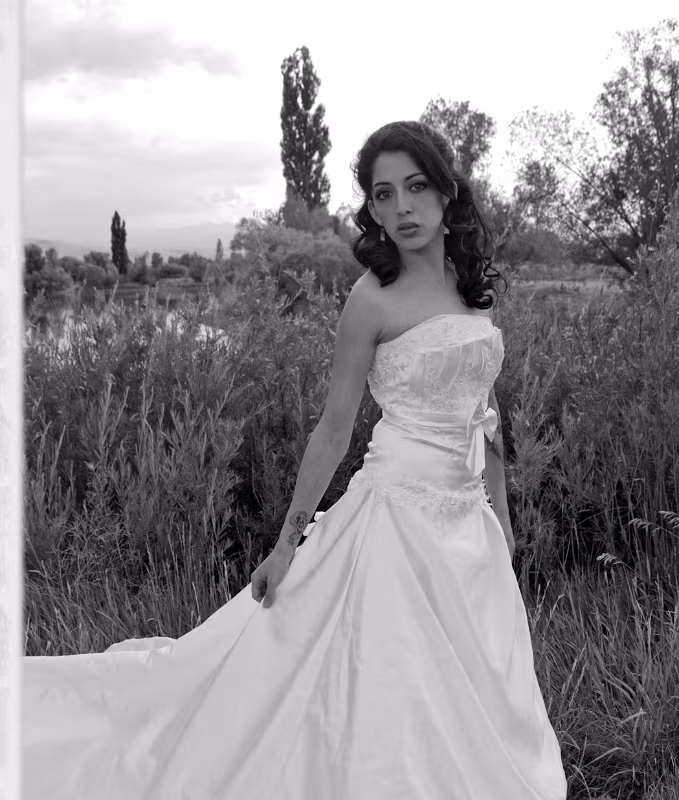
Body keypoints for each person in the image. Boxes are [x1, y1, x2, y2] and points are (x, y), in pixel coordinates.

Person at [22, 120, 568, 799]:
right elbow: (333, 432)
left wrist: (503, 518)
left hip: (468, 523)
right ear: (371, 210)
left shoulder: (472, 286)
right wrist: (286, 545)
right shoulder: (371, 299)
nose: (402, 207)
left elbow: (486, 415)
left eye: (416, 187)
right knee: (388, 675)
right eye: (384, 194)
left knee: (472, 677)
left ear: (446, 191)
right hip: (395, 520)